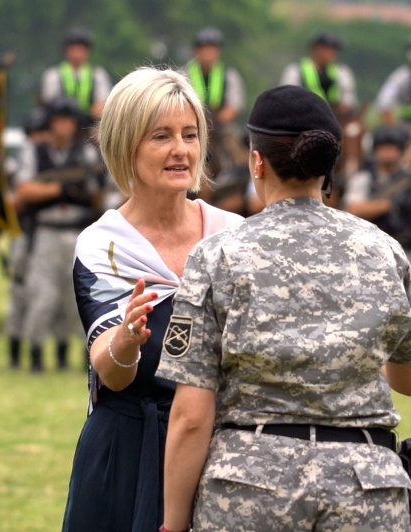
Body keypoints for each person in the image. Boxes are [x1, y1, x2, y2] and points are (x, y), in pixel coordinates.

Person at [158, 85, 411, 532]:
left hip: (249, 488)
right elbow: (408, 380)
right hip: (366, 488)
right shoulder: (384, 250)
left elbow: (191, 416)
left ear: (257, 161)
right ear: (328, 167)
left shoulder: (218, 256)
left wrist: (172, 522)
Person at [62, 67, 242, 531]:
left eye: (190, 134)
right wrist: (125, 342)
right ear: (126, 145)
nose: (181, 150)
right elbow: (110, 371)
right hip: (126, 453)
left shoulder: (235, 237)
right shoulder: (103, 245)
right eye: (161, 136)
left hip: (222, 453)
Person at [13, 97, 104, 372]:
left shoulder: (86, 154)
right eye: (58, 120)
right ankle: (37, 353)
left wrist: (86, 190)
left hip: (77, 230)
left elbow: (98, 193)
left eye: (68, 120)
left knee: (76, 296)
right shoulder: (34, 152)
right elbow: (23, 190)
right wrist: (58, 190)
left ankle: (73, 355)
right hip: (47, 230)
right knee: (42, 294)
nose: (63, 126)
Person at [343, 125, 411, 262]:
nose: (388, 152)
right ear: (375, 151)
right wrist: (390, 203)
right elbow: (352, 209)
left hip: (409, 249)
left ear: (400, 150)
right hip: (372, 250)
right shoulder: (365, 178)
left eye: (392, 148)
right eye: (383, 148)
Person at [5, 106, 50, 369]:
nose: (38, 138)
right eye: (35, 134)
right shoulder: (20, 162)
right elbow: (15, 200)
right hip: (24, 234)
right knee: (20, 293)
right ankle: (15, 351)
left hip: (41, 235)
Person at [40, 28, 112, 120]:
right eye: (74, 48)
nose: (77, 53)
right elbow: (50, 103)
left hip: (89, 123)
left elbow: (102, 101)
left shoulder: (98, 74)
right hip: (63, 122)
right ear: (66, 50)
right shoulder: (53, 75)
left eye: (81, 49)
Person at [279, 32, 357, 114]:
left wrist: (343, 106)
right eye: (326, 48)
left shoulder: (342, 72)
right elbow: (287, 99)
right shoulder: (295, 70)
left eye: (333, 49)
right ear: (314, 48)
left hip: (334, 118)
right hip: (303, 116)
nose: (330, 53)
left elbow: (349, 98)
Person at [185, 28, 245, 126]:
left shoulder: (230, 75)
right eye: (204, 48)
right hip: (191, 121)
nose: (208, 52)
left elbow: (234, 104)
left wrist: (218, 119)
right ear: (196, 50)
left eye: (212, 48)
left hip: (219, 125)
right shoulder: (184, 74)